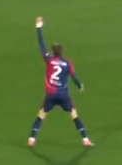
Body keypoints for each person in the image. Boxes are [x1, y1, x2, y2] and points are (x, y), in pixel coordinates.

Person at [28, 17, 92, 148]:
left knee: (41, 115)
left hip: (51, 95)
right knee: (74, 115)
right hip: (64, 95)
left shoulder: (49, 60)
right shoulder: (67, 62)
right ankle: (85, 139)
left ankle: (31, 139)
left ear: (53, 52)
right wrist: (80, 85)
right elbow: (74, 76)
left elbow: (41, 45)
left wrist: (39, 27)